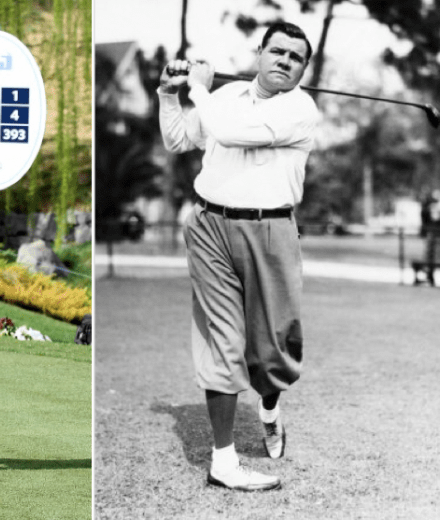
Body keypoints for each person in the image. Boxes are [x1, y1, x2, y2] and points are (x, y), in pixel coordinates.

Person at [158, 21, 320, 491]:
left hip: (272, 231)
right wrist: (171, 95)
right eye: (278, 51)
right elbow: (178, 140)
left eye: (296, 57)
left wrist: (200, 89)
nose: (284, 61)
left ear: (303, 69)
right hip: (210, 225)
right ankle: (223, 462)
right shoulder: (225, 98)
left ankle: (268, 405)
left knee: (271, 349)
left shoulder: (300, 109)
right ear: (260, 52)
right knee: (222, 340)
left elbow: (229, 132)